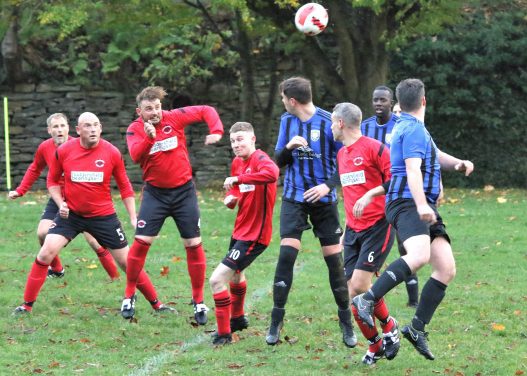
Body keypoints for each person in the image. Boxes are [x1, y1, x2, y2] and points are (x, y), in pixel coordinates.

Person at [353, 79, 474, 361]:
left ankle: (416, 328)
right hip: (408, 202)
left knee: (446, 268)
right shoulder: (412, 129)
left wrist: (458, 163)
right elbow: (412, 169)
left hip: (418, 203)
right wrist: (421, 204)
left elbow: (435, 154)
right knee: (418, 256)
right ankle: (366, 300)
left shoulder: (410, 127)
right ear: (424, 101)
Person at [14, 112, 170, 314]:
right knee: (45, 252)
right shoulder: (65, 151)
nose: (93, 129)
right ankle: (26, 306)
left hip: (103, 217)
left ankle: (157, 305)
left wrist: (133, 217)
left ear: (101, 127)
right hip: (71, 215)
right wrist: (60, 203)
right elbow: (51, 181)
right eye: (87, 125)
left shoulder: (111, 152)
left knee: (128, 262)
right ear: (78, 130)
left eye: (96, 125)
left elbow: (124, 186)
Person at [267, 76, 356, 347]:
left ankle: (346, 323)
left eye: (283, 98)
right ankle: (275, 322)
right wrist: (288, 148)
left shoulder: (329, 122)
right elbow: (278, 163)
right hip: (294, 198)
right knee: (286, 256)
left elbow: (347, 160)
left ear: (292, 100)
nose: (282, 102)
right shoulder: (287, 121)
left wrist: (327, 187)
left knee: (334, 262)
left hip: (324, 202)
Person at [122, 86, 224, 325]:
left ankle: (198, 301)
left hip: (183, 192)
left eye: (157, 107)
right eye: (149, 109)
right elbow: (136, 156)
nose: (155, 112)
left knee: (193, 243)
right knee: (141, 242)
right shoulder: (134, 129)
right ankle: (129, 295)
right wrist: (149, 138)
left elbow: (206, 110)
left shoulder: (174, 117)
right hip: (155, 194)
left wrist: (216, 131)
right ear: (140, 111)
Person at [8, 113, 119, 280]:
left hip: (82, 200)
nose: (59, 130)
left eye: (62, 126)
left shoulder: (80, 145)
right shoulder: (45, 147)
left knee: (95, 242)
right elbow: (35, 169)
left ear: (69, 128)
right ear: (49, 130)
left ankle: (115, 278)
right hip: (58, 198)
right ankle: (57, 269)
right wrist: (20, 190)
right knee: (42, 234)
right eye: (55, 127)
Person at [331, 102, 401, 365]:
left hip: (378, 226)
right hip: (353, 232)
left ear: (340, 123)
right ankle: (376, 344)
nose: (330, 128)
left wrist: (371, 194)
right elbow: (350, 196)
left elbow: (395, 178)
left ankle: (389, 325)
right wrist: (346, 230)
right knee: (355, 293)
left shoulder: (375, 148)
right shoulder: (341, 155)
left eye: (332, 123)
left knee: (360, 285)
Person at [209, 122, 280, 345]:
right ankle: (237, 319)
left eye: (240, 139)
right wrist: (232, 198)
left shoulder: (260, 160)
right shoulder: (237, 163)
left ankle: (223, 334)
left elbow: (272, 173)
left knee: (216, 280)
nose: (236, 144)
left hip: (255, 236)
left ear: (252, 139)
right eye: (232, 141)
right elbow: (239, 190)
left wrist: (238, 180)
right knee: (237, 275)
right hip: (240, 230)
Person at [361, 86, 419, 308]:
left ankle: (413, 297)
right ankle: (366, 281)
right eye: (375, 100)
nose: (378, 104)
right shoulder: (365, 127)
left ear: (391, 102)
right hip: (371, 193)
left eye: (383, 100)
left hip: (396, 191)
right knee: (369, 239)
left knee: (404, 244)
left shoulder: (401, 126)